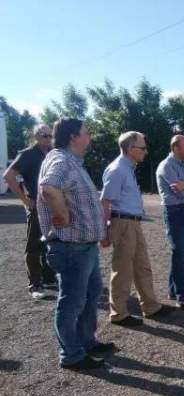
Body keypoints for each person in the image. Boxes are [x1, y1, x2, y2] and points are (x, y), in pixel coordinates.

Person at [38, 118, 114, 370]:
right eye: (86, 132)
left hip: (83, 245)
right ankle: (71, 355)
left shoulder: (71, 161)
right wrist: (62, 213)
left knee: (91, 293)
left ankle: (86, 341)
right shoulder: (62, 160)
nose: (89, 136)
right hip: (70, 246)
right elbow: (48, 188)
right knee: (72, 301)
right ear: (73, 137)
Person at [100, 131, 173, 326]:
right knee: (123, 269)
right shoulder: (117, 169)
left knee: (142, 266)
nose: (145, 152)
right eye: (142, 148)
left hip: (132, 222)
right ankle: (118, 313)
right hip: (123, 223)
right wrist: (103, 232)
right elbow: (105, 202)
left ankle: (151, 306)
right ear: (130, 148)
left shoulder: (127, 168)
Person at [3, 124, 56, 299]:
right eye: (44, 135)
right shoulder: (27, 154)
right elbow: (8, 176)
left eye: (50, 135)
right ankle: (35, 285)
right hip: (36, 205)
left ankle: (49, 278)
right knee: (34, 245)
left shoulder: (52, 153)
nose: (48, 138)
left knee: (51, 241)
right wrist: (25, 200)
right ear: (35, 136)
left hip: (53, 205)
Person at [156, 135, 184, 309]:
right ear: (176, 148)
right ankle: (181, 295)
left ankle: (172, 290)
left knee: (183, 252)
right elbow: (179, 192)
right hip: (174, 212)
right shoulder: (166, 166)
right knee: (179, 251)